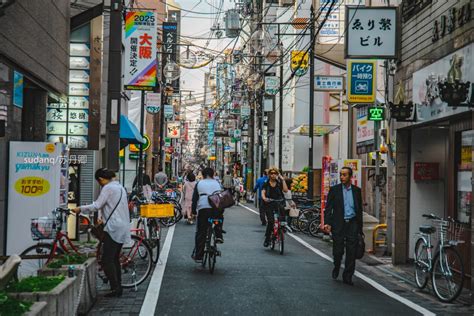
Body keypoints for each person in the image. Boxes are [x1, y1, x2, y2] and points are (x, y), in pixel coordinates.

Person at [73, 168, 131, 297]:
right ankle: (117, 286)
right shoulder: (119, 187)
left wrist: (80, 209)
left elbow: (97, 205)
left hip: (114, 227)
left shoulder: (108, 188)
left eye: (99, 181)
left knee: (107, 259)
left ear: (101, 179)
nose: (100, 183)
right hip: (122, 225)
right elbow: (106, 205)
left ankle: (116, 288)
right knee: (114, 258)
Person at [323, 166, 364, 286]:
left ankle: (348, 276)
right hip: (338, 223)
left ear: (350, 176)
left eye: (344, 175)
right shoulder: (334, 190)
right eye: (341, 174)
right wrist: (327, 223)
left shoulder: (357, 191)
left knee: (351, 251)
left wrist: (359, 227)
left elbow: (359, 209)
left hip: (352, 223)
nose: (342, 177)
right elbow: (328, 208)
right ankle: (336, 265)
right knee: (338, 250)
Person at [191, 167, 224, 262]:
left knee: (201, 231)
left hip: (204, 208)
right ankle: (218, 234)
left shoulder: (199, 183)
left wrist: (193, 211)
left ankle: (199, 255)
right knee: (219, 218)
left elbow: (194, 199)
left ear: (203, 174)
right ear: (213, 174)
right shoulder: (217, 183)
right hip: (216, 208)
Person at [261, 167, 288, 247]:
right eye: (271, 173)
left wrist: (282, 179)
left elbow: (285, 190)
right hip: (269, 203)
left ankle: (282, 229)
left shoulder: (279, 183)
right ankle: (267, 238)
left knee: (282, 218)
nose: (273, 175)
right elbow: (263, 192)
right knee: (271, 221)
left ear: (277, 174)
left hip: (279, 203)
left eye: (275, 173)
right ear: (269, 174)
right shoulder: (266, 183)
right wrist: (264, 198)